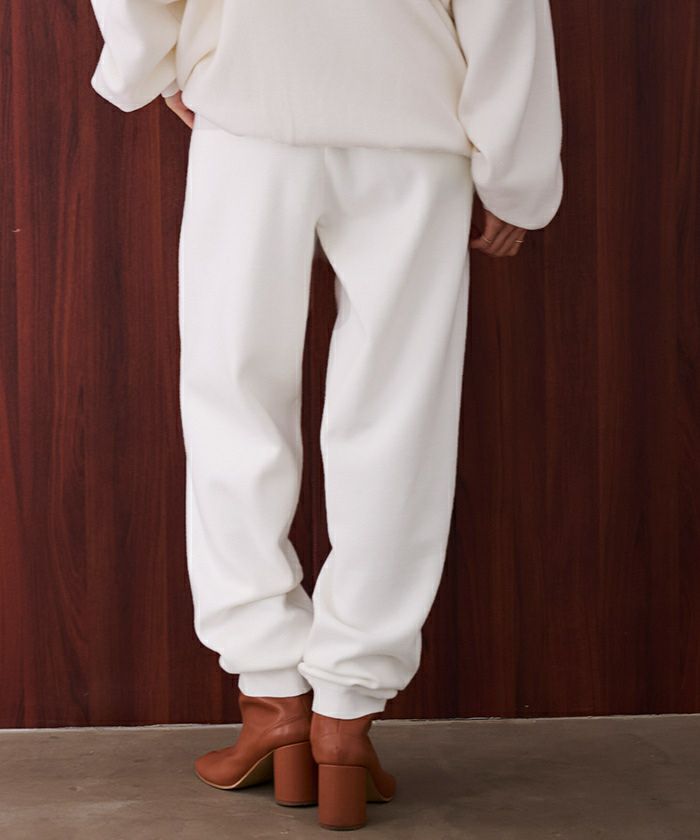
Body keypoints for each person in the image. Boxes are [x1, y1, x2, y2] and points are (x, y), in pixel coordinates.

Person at [89, 0, 563, 830]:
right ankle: (346, 717)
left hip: (249, 101)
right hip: (412, 118)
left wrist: (153, 63)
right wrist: (516, 171)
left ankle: (272, 702)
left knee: (234, 406)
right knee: (397, 419)